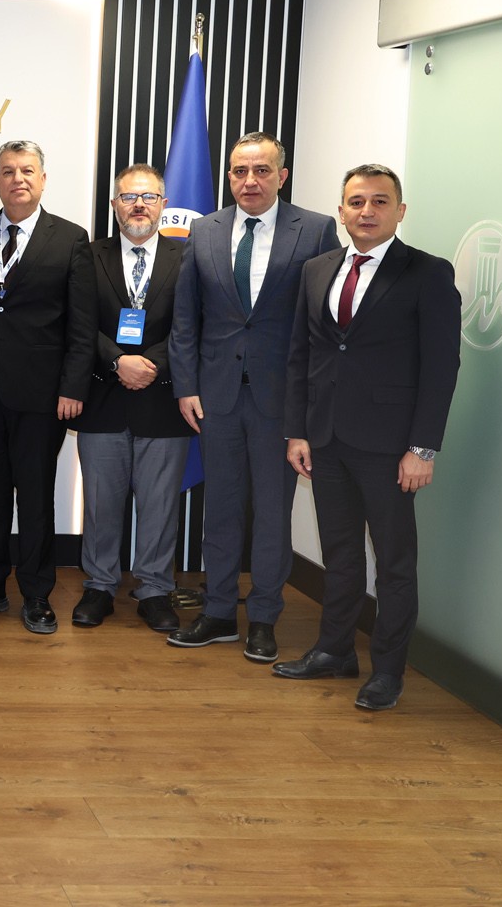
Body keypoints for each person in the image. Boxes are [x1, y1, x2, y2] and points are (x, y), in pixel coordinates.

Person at [278, 165, 459, 711]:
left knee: (394, 564)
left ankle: (387, 672)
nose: (367, 211)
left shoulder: (427, 272)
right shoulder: (316, 270)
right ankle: (334, 651)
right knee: (340, 554)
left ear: (400, 211)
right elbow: (302, 357)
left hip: (391, 447)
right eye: (356, 201)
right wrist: (297, 431)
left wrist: (422, 448)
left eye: (380, 201)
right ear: (341, 211)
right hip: (326, 439)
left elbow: (441, 366)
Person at [168, 132, 339, 661]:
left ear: (281, 176)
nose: (250, 181)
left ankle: (264, 617)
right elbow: (185, 319)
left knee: (272, 514)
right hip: (216, 397)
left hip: (280, 401)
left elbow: (323, 325)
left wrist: (310, 403)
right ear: (229, 176)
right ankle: (219, 612)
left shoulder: (315, 230)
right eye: (240, 171)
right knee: (219, 509)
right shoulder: (204, 230)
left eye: (262, 170)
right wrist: (186, 386)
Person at [0, 140, 95, 635]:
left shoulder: (71, 239)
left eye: (28, 170)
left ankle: (37, 594)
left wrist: (73, 386)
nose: (18, 179)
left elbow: (82, 324)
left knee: (35, 498)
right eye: (9, 171)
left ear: (43, 179)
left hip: (42, 396)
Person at [69, 165, 190, 633]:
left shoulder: (188, 256)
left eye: (149, 196)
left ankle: (154, 590)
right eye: (128, 197)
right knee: (100, 503)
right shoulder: (88, 254)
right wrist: (118, 361)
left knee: (159, 505)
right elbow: (78, 322)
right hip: (103, 397)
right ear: (114, 205)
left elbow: (191, 325)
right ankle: (99, 586)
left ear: (163, 204)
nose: (139, 205)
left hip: (163, 398)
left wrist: (150, 364)